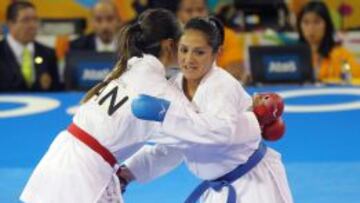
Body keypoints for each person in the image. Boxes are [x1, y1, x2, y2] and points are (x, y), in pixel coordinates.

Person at [20, 9, 263, 203]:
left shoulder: (129, 65)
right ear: (169, 45)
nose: (185, 55)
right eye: (181, 46)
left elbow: (177, 144)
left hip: (60, 156)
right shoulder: (160, 90)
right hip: (85, 175)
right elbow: (202, 132)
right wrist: (252, 118)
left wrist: (129, 171)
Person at [121, 17, 293, 203]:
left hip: (254, 184)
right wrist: (128, 172)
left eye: (199, 52)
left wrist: (167, 116)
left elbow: (219, 133)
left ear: (217, 53)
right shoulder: (174, 87)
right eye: (183, 50)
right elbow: (172, 147)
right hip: (219, 188)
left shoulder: (221, 86)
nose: (188, 60)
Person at [0, 1, 62, 91]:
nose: (32, 25)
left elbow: (57, 91)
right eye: (26, 20)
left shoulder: (48, 54)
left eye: (35, 20)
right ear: (10, 24)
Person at [297, 1, 360, 82]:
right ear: (299, 25)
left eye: (317, 22)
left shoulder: (341, 55)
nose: (311, 28)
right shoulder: (295, 57)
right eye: (306, 22)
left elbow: (355, 80)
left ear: (327, 24)